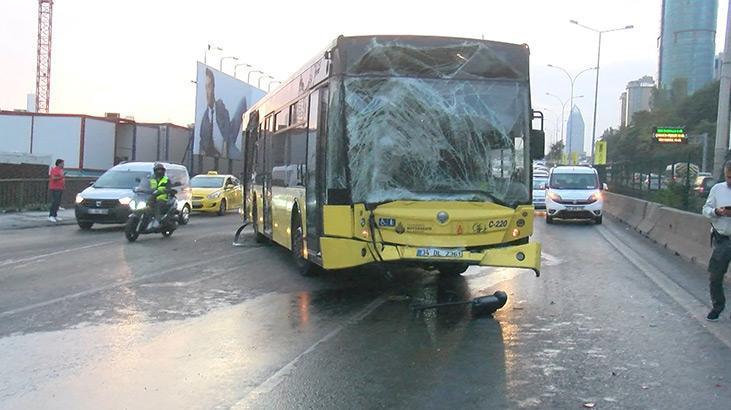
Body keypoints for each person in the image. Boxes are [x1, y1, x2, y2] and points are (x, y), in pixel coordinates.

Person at [703, 160, 731, 321]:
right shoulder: (717, 189)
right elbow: (705, 210)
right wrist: (716, 211)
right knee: (715, 276)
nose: (730, 181)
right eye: (728, 177)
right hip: (722, 239)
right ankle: (718, 306)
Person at [198, 68, 248, 158]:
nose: (207, 92)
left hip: (228, 142)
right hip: (216, 152)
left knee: (242, 104)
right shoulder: (204, 118)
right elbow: (202, 143)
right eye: (206, 87)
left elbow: (227, 123)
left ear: (213, 87)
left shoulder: (220, 105)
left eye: (209, 86)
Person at [149, 162, 170, 229]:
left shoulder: (166, 180)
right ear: (155, 171)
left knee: (157, 205)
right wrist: (140, 189)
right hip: (152, 197)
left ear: (163, 171)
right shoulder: (151, 179)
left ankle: (157, 220)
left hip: (162, 198)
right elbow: (146, 186)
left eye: (161, 170)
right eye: (157, 170)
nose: (159, 171)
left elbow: (169, 188)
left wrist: (165, 191)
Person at [48, 159, 65, 223]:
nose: (63, 165)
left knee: (58, 202)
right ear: (59, 163)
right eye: (62, 163)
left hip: (60, 188)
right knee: (54, 202)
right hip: (55, 188)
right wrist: (61, 177)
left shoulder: (61, 170)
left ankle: (55, 215)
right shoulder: (54, 169)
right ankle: (51, 216)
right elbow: (53, 178)